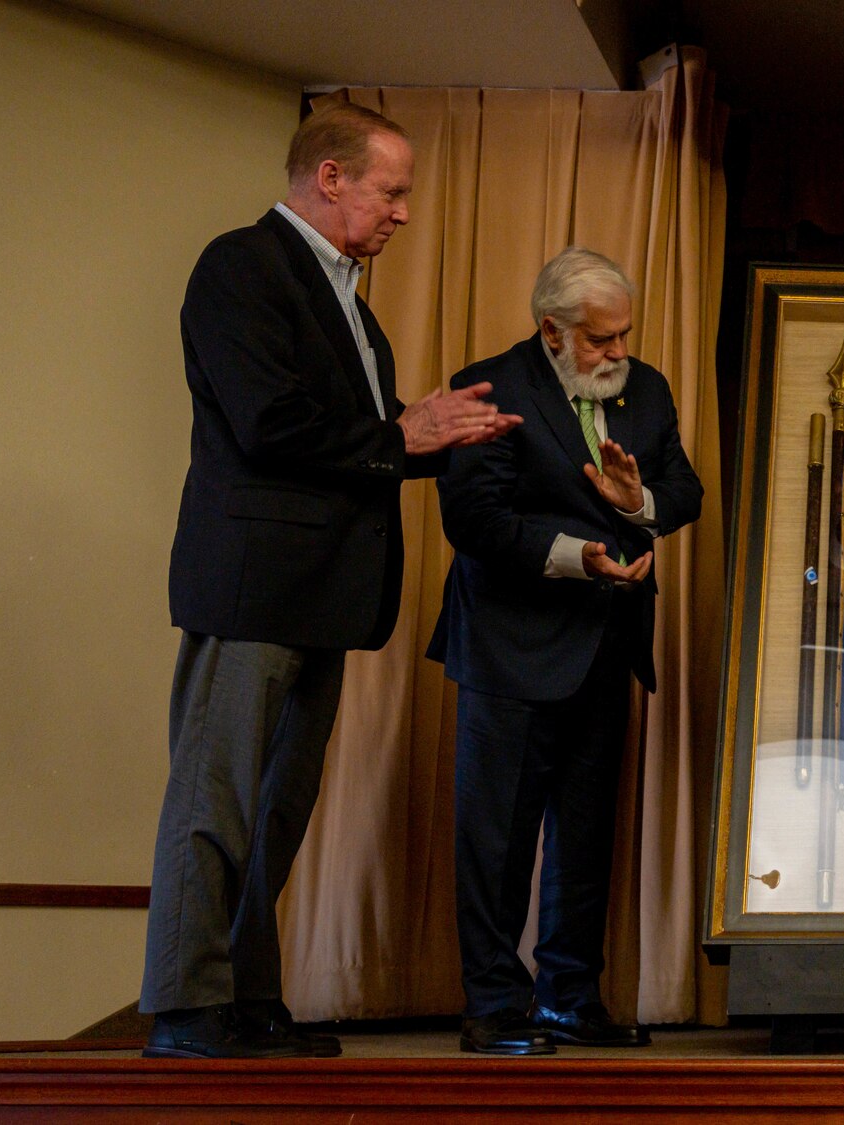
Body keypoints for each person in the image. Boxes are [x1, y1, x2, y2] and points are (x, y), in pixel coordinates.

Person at [144, 103, 520, 1059]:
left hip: (325, 590)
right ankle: (187, 1009)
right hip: (255, 581)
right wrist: (403, 433)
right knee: (216, 798)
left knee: (277, 808)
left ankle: (251, 998)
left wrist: (436, 435)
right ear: (331, 178)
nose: (403, 212)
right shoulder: (241, 265)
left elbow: (361, 444)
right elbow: (271, 423)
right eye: (392, 192)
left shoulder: (348, 297)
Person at [428, 247, 702, 1056]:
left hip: (606, 644)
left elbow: (682, 490)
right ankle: (494, 1007)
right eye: (600, 340)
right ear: (552, 330)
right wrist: (573, 553)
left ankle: (569, 999)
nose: (619, 353)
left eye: (625, 335)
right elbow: (473, 519)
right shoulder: (489, 386)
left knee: (584, 839)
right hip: (510, 646)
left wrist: (639, 501)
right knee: (498, 840)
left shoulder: (645, 388)